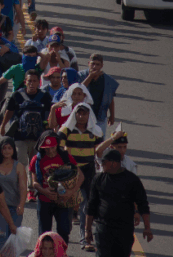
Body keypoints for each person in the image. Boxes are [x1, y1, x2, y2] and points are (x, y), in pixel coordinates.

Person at [85, 150, 152, 257]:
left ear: (113, 163)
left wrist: (147, 227)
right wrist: (87, 230)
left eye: (104, 163)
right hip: (103, 229)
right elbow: (91, 205)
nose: (102, 165)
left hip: (124, 231)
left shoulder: (132, 180)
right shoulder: (98, 179)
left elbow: (143, 204)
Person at [58, 103, 103, 250]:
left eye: (84, 114)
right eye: (79, 113)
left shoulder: (95, 131)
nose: (81, 116)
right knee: (69, 206)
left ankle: (85, 239)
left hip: (89, 172)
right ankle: (64, 238)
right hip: (71, 171)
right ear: (74, 114)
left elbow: (99, 151)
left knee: (86, 206)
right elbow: (59, 149)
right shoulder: (65, 130)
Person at [29, 131, 82, 245]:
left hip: (64, 201)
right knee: (44, 234)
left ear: (57, 145)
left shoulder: (65, 157)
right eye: (47, 148)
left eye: (52, 147)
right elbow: (34, 182)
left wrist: (71, 192)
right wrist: (44, 191)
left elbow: (81, 176)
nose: (50, 151)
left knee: (63, 231)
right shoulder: (36, 160)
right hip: (44, 201)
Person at [1, 69, 52, 170]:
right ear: (25, 82)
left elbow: (49, 115)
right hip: (19, 136)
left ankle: (32, 183)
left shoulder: (45, 96)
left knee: (36, 161)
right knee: (21, 161)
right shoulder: (16, 95)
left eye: (34, 81)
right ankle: (22, 184)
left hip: (38, 136)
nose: (32, 83)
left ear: (39, 82)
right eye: (29, 81)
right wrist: (3, 126)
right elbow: (9, 111)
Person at [0, 137, 26, 241]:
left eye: (10, 148)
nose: (7, 151)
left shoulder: (19, 167)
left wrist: (21, 205)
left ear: (14, 150)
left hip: (15, 208)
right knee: (1, 239)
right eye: (4, 148)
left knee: (13, 239)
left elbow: (23, 188)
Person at [78, 54, 119, 137]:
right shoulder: (81, 75)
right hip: (82, 116)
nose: (94, 66)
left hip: (100, 117)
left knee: (99, 141)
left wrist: (112, 115)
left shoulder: (108, 80)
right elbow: (78, 90)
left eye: (97, 64)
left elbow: (110, 98)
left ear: (102, 66)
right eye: (92, 64)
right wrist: (90, 77)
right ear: (88, 63)